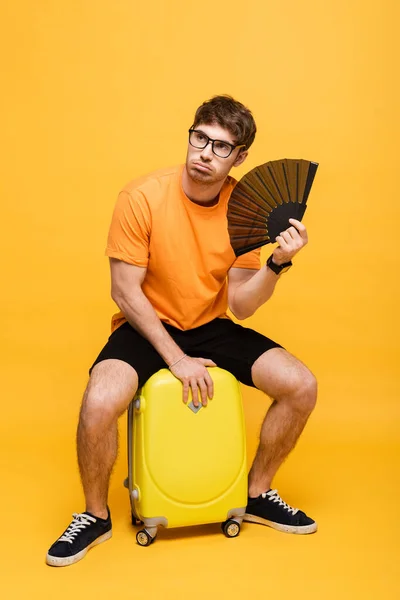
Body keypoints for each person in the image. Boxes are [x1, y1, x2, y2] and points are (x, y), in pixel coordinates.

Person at [46, 95, 318, 567]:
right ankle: (94, 515)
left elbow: (241, 305)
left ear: (240, 157)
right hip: (146, 324)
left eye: (221, 146)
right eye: (200, 138)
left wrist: (276, 263)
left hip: (210, 326)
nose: (205, 154)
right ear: (190, 136)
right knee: (99, 400)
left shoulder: (243, 208)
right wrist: (176, 358)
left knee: (302, 386)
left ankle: (255, 494)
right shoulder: (141, 197)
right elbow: (125, 291)